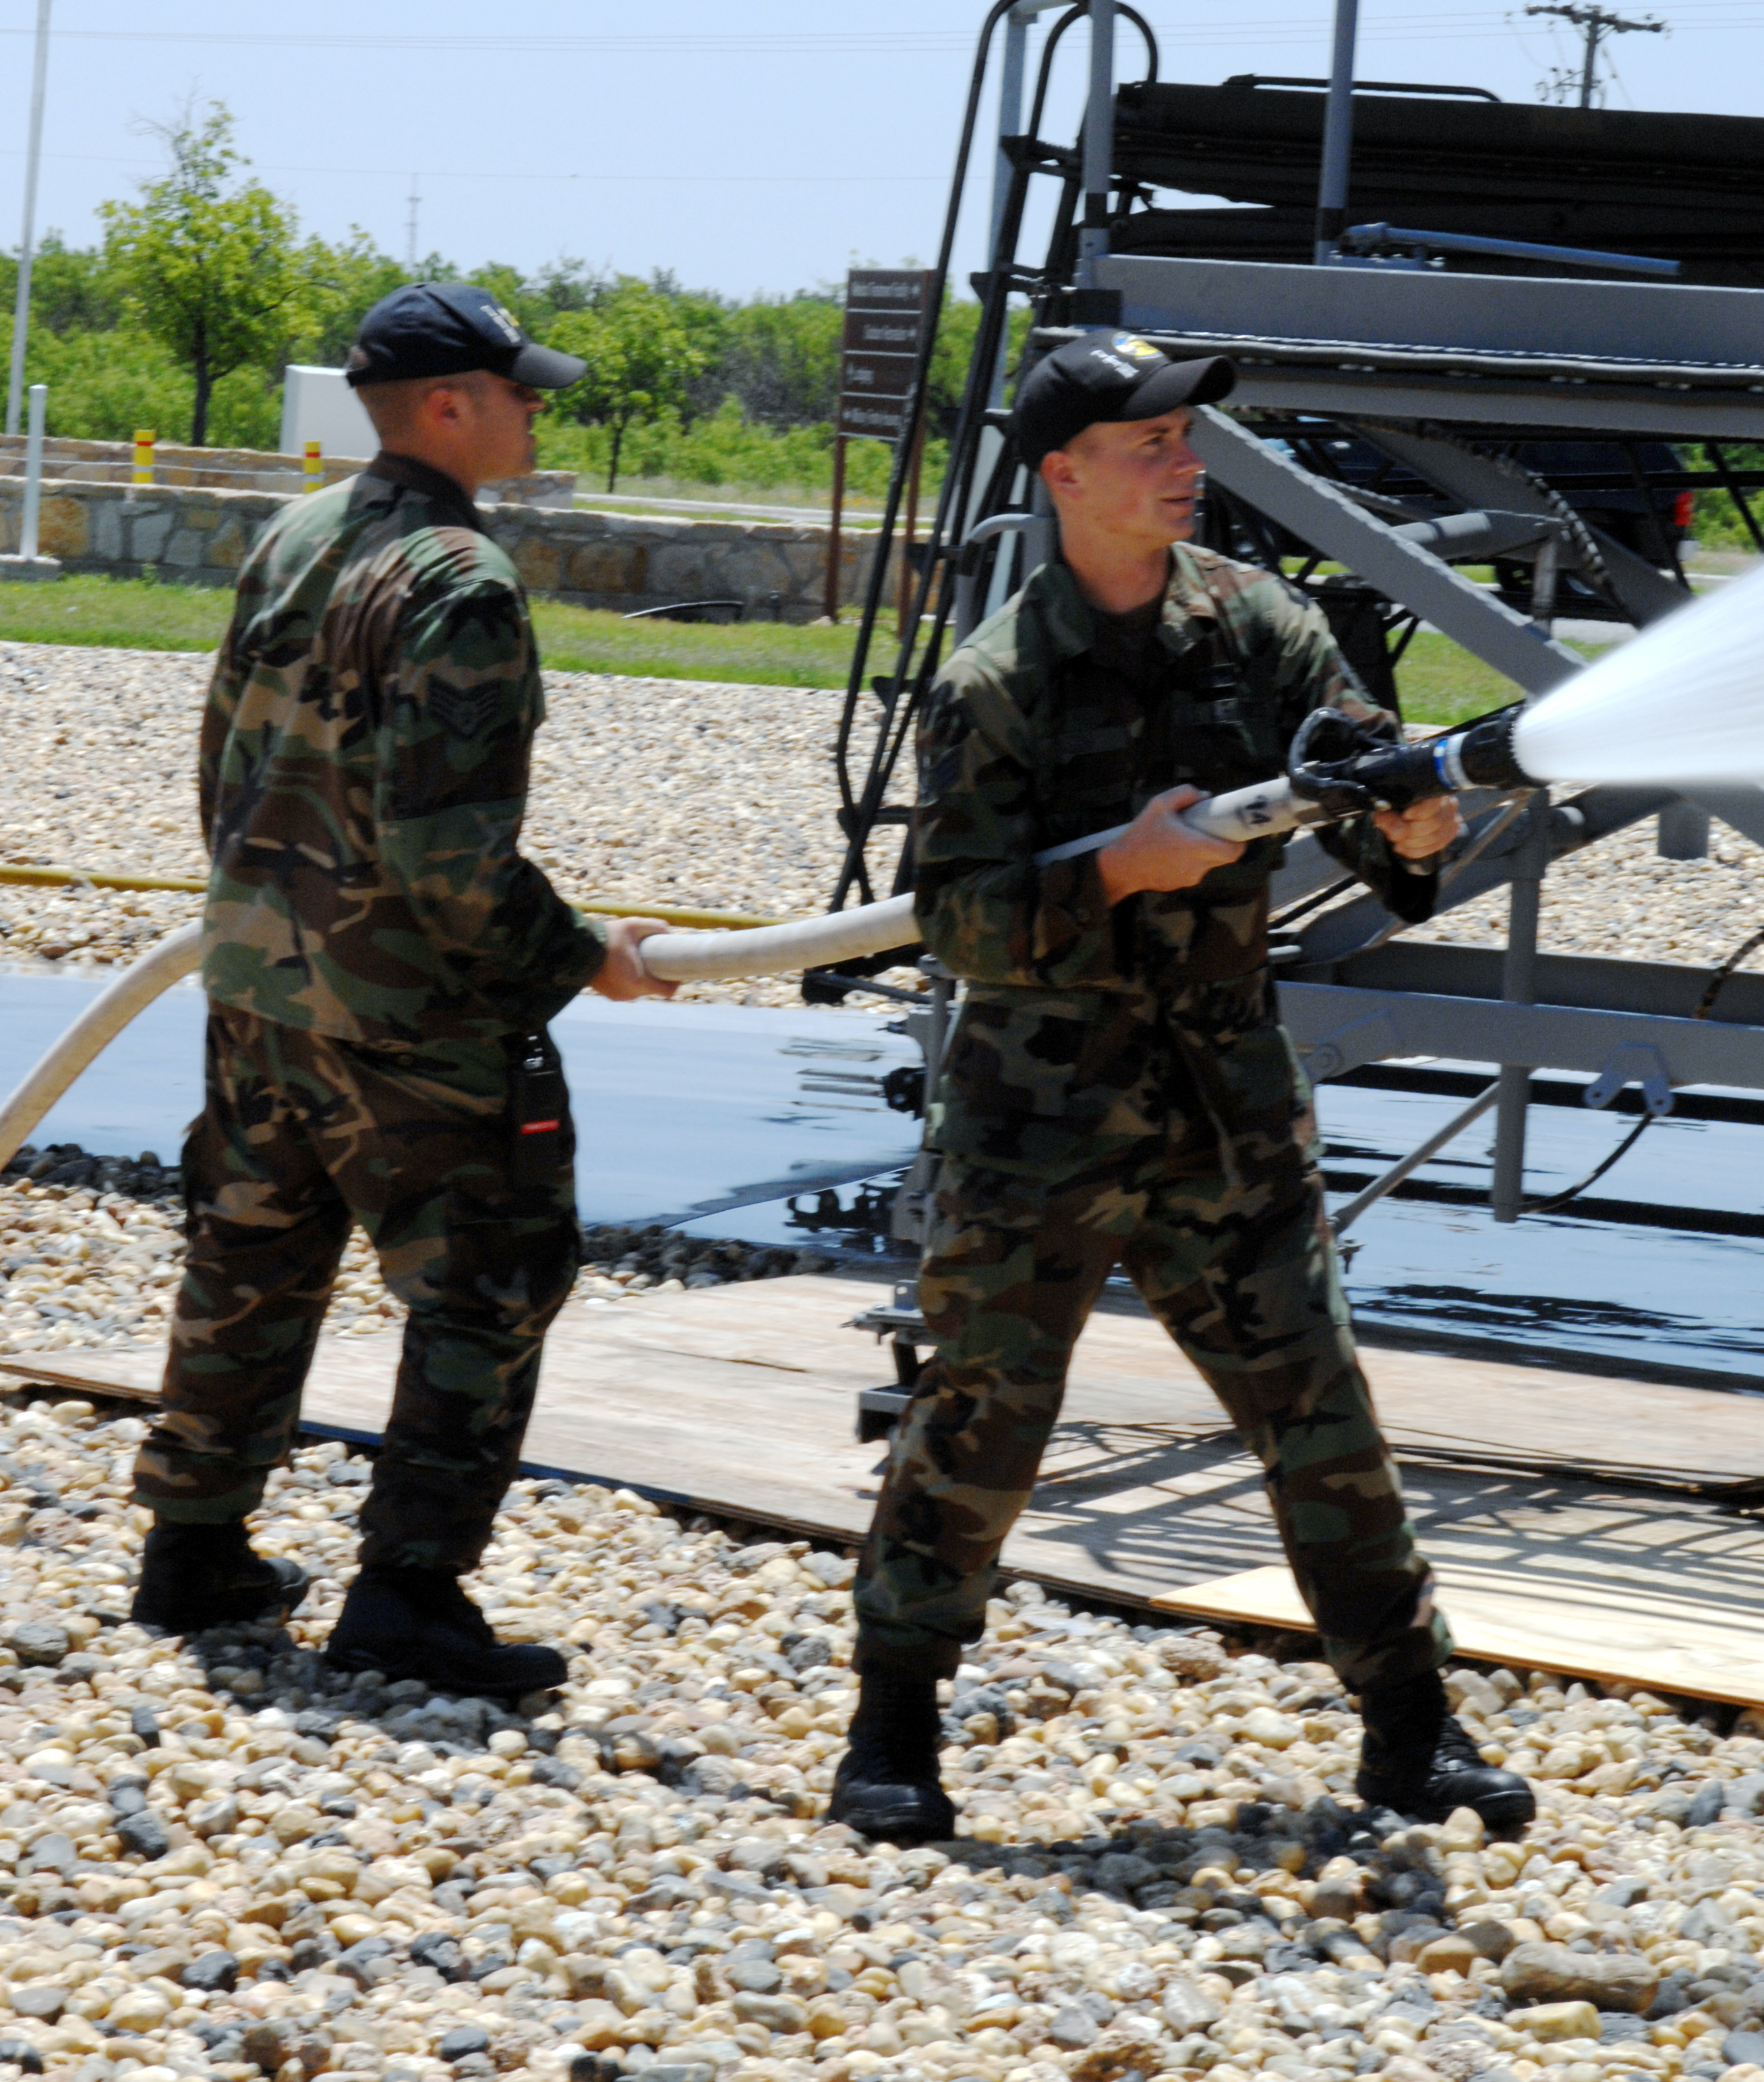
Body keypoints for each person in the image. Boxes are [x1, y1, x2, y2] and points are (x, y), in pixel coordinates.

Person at [831, 333, 1535, 1841]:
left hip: (1228, 1107)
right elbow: (954, 922)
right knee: (983, 1413)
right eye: (1148, 441)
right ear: (1063, 472)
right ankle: (891, 1730)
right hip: (1040, 1118)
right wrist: (1119, 871)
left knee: (1318, 1409)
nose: (1185, 462)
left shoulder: (1261, 625)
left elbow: (1363, 797)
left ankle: (1412, 1732)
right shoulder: (996, 681)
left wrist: (1414, 831)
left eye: (1185, 436)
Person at [129, 282, 675, 1698]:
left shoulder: (298, 534)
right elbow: (451, 855)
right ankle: (410, 1592)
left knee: (251, 1254)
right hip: (406, 1016)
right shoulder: (459, 580)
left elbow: (224, 767)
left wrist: (262, 925)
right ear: (446, 405)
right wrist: (587, 954)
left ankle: (193, 1547)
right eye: (519, 388)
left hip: (262, 982)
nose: (538, 408)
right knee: (491, 1278)